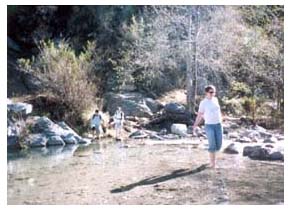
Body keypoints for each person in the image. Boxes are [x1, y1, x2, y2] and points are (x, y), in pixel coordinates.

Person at [193, 85, 223, 169]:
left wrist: (222, 119)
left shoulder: (216, 100)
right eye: (211, 92)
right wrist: (195, 125)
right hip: (209, 125)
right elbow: (200, 115)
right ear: (206, 93)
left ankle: (211, 159)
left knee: (219, 146)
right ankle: (213, 164)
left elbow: (218, 111)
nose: (213, 94)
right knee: (212, 145)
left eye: (214, 92)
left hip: (218, 125)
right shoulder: (203, 103)